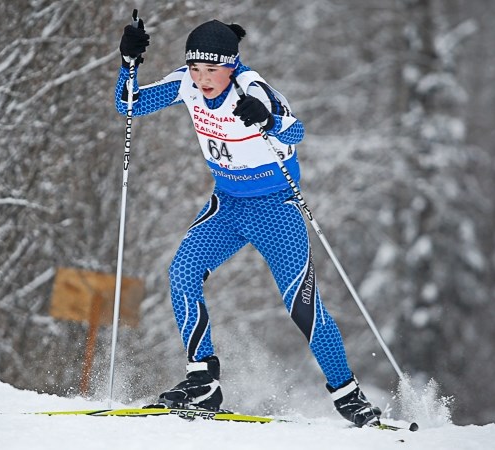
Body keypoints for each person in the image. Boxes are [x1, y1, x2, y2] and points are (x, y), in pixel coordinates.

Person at [115, 18, 382, 427]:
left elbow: (297, 132)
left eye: (211, 70)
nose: (202, 80)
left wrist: (269, 121)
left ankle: (348, 395)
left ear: (231, 65)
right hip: (228, 207)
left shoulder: (252, 89)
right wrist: (129, 62)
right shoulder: (186, 83)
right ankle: (202, 381)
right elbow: (129, 105)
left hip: (276, 210)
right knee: (182, 272)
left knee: (302, 305)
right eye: (196, 69)